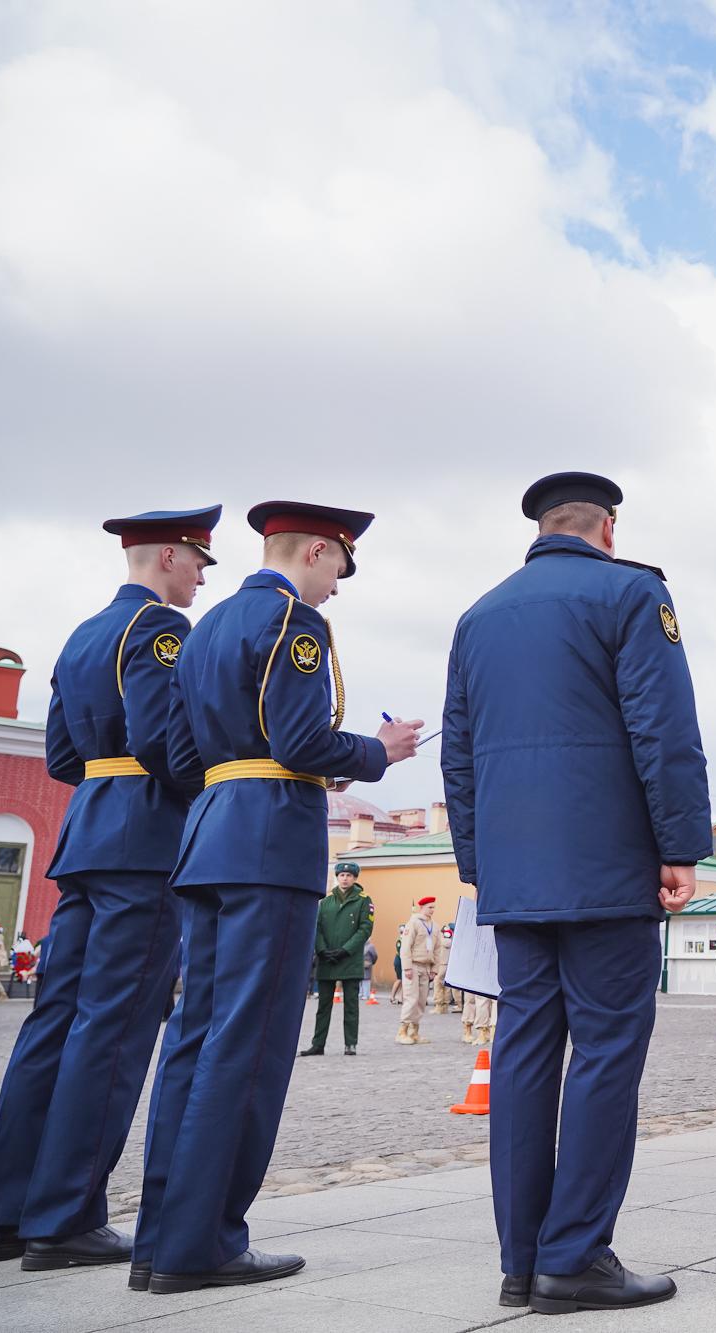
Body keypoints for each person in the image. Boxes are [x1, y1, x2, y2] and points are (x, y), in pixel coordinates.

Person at [133, 500, 421, 1294]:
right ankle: (205, 1242)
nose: (337, 588)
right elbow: (300, 742)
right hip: (269, 844)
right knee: (250, 1045)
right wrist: (379, 750)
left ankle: (160, 1239)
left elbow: (177, 755)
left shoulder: (205, 628)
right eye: (339, 569)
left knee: (193, 1039)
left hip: (210, 835)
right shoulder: (296, 622)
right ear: (318, 552)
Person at [442, 471, 710, 1314]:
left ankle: (521, 1258)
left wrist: (480, 863)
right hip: (607, 867)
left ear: (541, 527)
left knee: (522, 1051)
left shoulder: (478, 615)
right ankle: (575, 1256)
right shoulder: (632, 594)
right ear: (608, 528)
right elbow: (663, 729)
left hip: (515, 876)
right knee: (605, 1049)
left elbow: (458, 752)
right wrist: (680, 845)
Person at [0, 508, 218, 1278]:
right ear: (168, 556)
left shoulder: (83, 634)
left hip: (87, 832)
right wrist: (225, 780)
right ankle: (66, 1218)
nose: (202, 576)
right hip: (143, 841)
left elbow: (60, 755)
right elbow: (162, 743)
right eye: (198, 561)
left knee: (53, 1022)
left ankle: (5, 1216)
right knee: (113, 1028)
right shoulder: (160, 629)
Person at [301, 863, 373, 1057]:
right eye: (341, 875)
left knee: (351, 1006)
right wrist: (322, 950)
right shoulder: (326, 902)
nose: (345, 878)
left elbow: (365, 929)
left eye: (349, 875)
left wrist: (345, 950)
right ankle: (318, 1044)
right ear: (337, 877)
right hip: (327, 960)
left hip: (349, 960)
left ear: (355, 878)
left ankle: (350, 1044)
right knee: (323, 1006)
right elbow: (316, 927)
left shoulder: (363, 901)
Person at [398, 897, 440, 1045]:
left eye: (434, 907)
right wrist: (407, 967)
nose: (432, 910)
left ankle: (414, 1031)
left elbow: (438, 949)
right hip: (413, 965)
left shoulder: (435, 926)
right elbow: (406, 946)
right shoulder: (414, 923)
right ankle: (402, 1031)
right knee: (411, 998)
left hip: (426, 967)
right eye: (430, 907)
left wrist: (435, 969)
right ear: (422, 907)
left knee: (421, 1000)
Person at [360, 938, 379, 1004]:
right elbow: (375, 956)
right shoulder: (370, 946)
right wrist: (371, 962)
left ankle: (364, 994)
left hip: (365, 964)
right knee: (365, 979)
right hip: (365, 963)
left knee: (365, 979)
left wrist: (371, 962)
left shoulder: (370, 946)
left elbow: (374, 956)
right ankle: (364, 994)